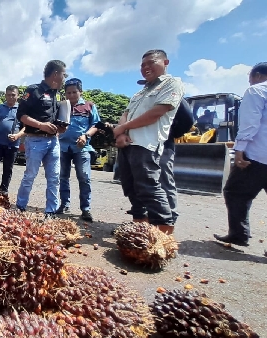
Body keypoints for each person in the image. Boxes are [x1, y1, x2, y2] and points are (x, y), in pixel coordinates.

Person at [112, 49, 185, 234]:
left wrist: (122, 127)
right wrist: (120, 134)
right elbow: (125, 114)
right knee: (130, 187)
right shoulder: (139, 93)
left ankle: (163, 233)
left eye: (151, 63)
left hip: (146, 144)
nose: (145, 67)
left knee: (148, 187)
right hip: (128, 144)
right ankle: (140, 228)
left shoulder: (172, 84)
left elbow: (156, 113)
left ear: (165, 62)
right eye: (142, 65)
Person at [214, 62, 267, 247]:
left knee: (235, 192)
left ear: (258, 76)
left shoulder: (257, 91)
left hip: (258, 156)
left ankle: (238, 234)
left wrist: (239, 151)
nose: (250, 81)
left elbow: (250, 123)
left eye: (250, 77)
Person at [127, 95, 194, 225]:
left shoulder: (172, 94)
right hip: (140, 144)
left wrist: (171, 133)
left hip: (162, 143)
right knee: (141, 181)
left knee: (163, 180)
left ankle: (168, 220)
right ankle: (143, 220)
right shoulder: (142, 97)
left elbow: (187, 120)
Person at [15, 60, 69, 218]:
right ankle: (20, 207)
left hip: (54, 142)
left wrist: (61, 128)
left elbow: (58, 118)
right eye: (63, 75)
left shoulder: (57, 94)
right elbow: (21, 115)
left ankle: (50, 212)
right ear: (55, 74)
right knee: (30, 175)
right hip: (35, 140)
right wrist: (41, 125)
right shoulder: (33, 90)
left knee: (54, 178)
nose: (64, 78)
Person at [57, 78, 100, 222]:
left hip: (82, 147)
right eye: (68, 93)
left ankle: (85, 209)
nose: (71, 95)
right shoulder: (61, 106)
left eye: (74, 92)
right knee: (62, 177)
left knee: (84, 177)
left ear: (80, 91)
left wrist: (86, 135)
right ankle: (64, 204)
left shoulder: (89, 106)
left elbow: (96, 125)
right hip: (62, 147)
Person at [0, 85, 25, 194]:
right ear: (5, 95)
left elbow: (26, 127)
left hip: (13, 146)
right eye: (9, 95)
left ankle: (3, 192)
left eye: (13, 95)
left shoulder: (21, 109)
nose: (11, 97)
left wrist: (17, 136)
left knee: (8, 170)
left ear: (17, 96)